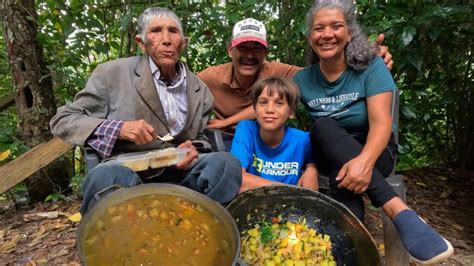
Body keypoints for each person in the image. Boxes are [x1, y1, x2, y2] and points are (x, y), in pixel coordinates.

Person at [293, 0, 453, 264]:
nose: (327, 34)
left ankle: (374, 228)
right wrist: (224, 120)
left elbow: (382, 124)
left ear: (349, 32)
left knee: (341, 179)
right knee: (324, 127)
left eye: (336, 26)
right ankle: (400, 214)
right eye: (319, 28)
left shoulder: (371, 67)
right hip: (330, 152)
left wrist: (364, 164)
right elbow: (269, 100)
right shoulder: (301, 79)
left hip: (376, 149)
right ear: (310, 36)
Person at [50, 7, 241, 214]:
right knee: (105, 177)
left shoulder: (199, 89)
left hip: (181, 173)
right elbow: (63, 120)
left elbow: (202, 137)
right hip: (128, 171)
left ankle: (200, 228)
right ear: (141, 43)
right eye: (156, 31)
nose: (166, 39)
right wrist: (118, 128)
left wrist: (193, 149)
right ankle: (126, 240)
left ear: (183, 42)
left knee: (226, 164)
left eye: (173, 31)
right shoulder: (112, 74)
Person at [198, 17, 393, 149]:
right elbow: (180, 89)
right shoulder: (209, 78)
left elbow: (328, 71)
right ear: (230, 50)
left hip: (266, 141)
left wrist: (368, 57)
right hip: (223, 142)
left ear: (266, 53)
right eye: (243, 48)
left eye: (256, 48)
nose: (249, 55)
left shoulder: (281, 73)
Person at [231, 77, 318, 193]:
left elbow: (315, 161)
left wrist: (312, 169)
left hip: (288, 207)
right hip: (252, 202)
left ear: (291, 111)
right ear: (255, 109)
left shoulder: (303, 140)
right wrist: (294, 192)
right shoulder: (246, 130)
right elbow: (237, 179)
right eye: (263, 102)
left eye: (279, 103)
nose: (269, 109)